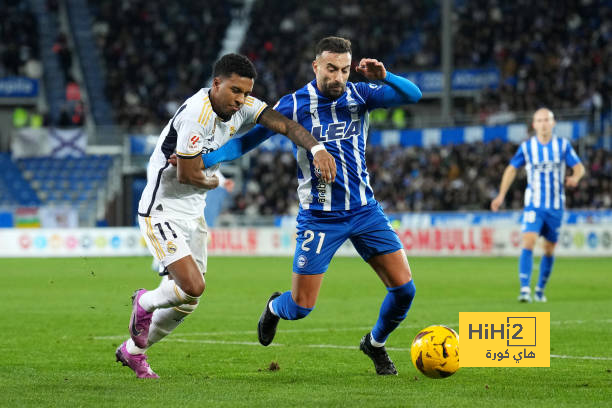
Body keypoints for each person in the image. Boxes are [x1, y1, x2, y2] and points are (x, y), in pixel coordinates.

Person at [201, 37, 422, 375]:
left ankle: (374, 344)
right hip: (320, 218)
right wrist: (206, 158)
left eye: (345, 70)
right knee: (302, 306)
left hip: (365, 211)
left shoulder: (361, 94)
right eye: (331, 68)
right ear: (316, 66)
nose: (338, 77)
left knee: (405, 290)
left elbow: (414, 96)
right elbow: (247, 141)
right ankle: (275, 307)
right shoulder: (293, 104)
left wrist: (386, 75)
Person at [115, 53, 335, 379]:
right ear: (216, 83)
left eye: (246, 93)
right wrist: (218, 181)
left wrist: (316, 148)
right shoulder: (195, 116)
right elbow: (189, 175)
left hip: (193, 211)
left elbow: (285, 125)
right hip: (162, 209)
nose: (241, 100)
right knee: (192, 286)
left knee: (188, 301)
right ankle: (144, 302)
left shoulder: (242, 106)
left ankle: (134, 352)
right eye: (235, 91)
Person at [491, 108, 585, 303]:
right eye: (539, 120)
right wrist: (501, 195)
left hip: (556, 206)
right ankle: (525, 289)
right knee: (529, 241)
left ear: (553, 123)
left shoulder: (562, 145)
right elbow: (511, 169)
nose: (543, 123)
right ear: (534, 125)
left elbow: (579, 167)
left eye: (546, 120)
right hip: (534, 204)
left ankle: (540, 289)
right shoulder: (527, 148)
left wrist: (575, 177)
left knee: (549, 249)